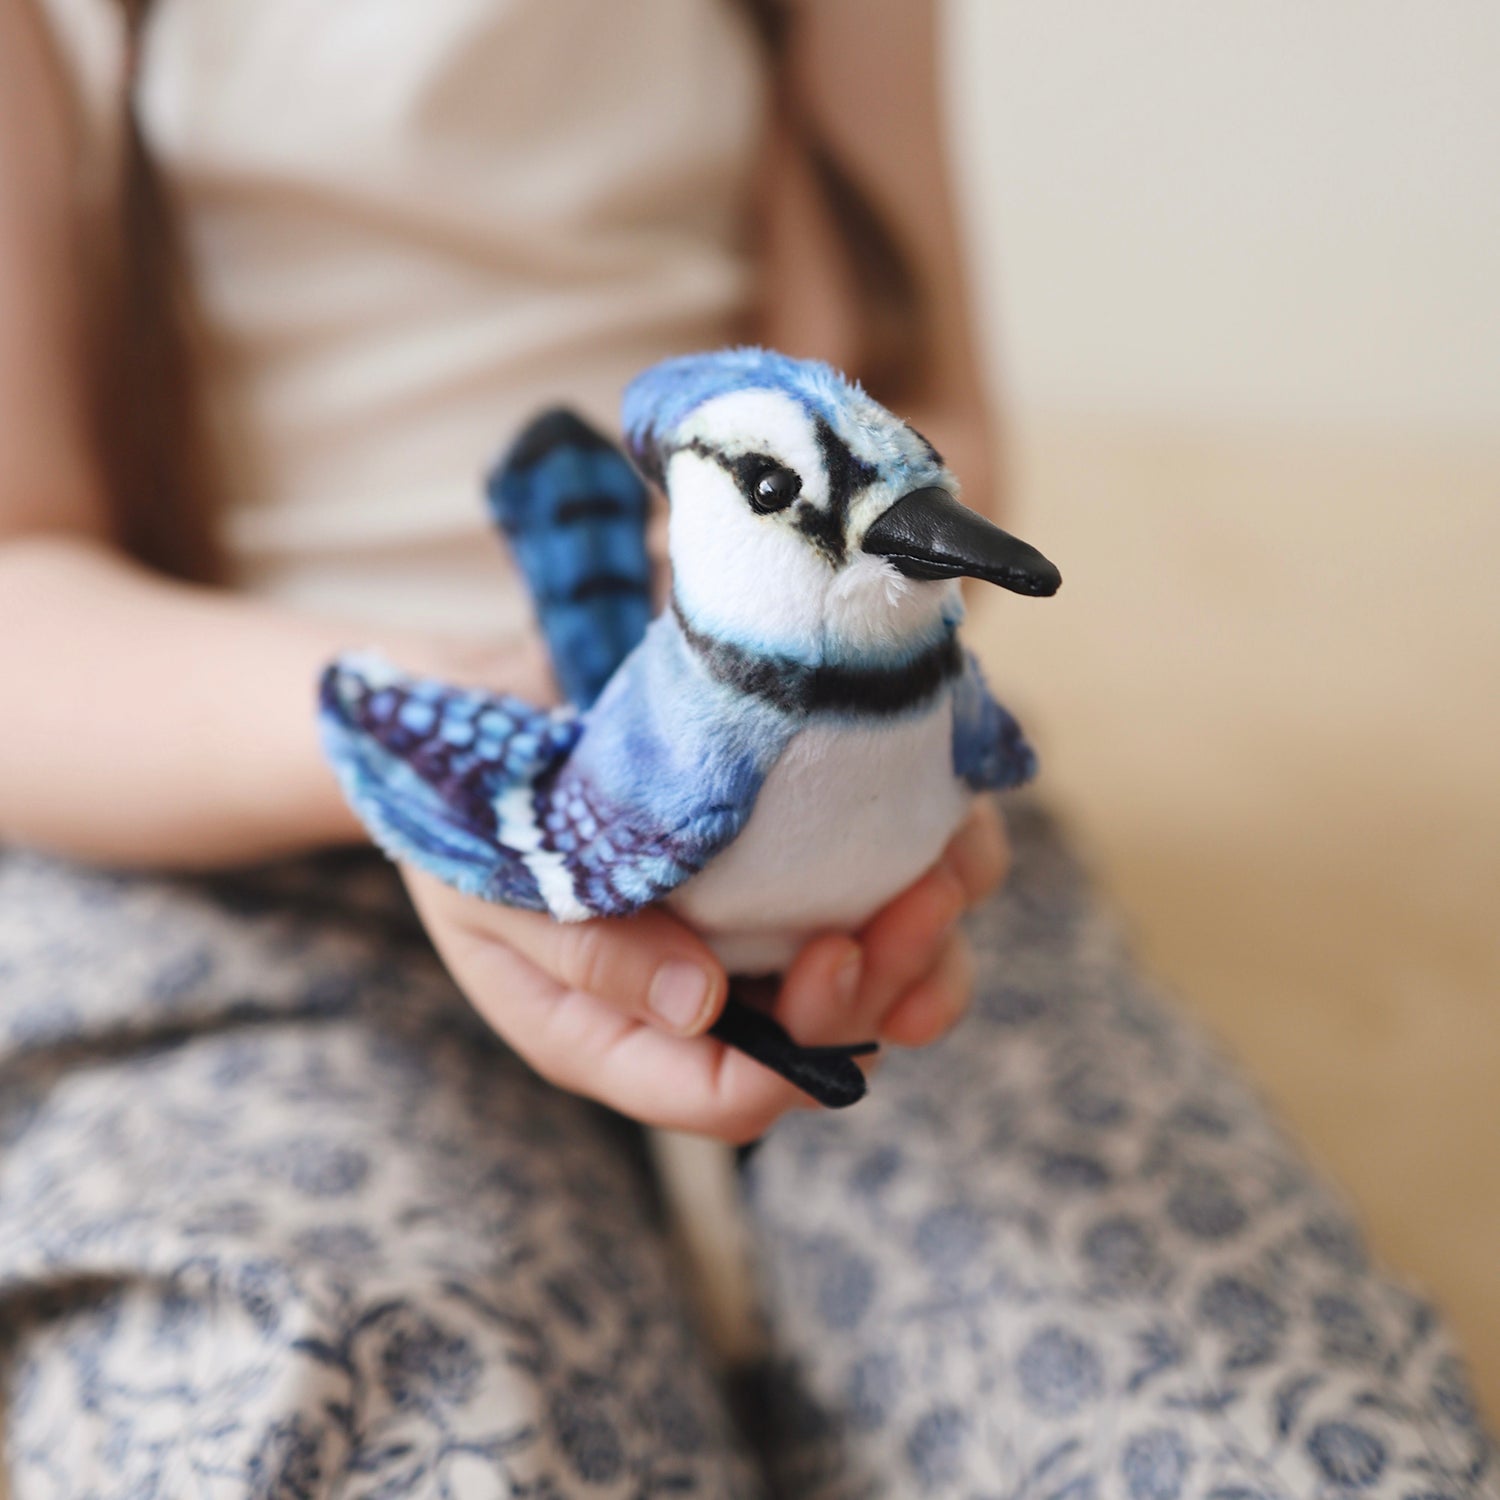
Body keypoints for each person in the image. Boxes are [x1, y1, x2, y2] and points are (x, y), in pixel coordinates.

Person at [0, 1, 1492, 1495]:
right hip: (213, 827)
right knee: (355, 1420)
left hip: (856, 830)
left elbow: (923, 384)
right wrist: (426, 714)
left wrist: (867, 681)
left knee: (1242, 1414)